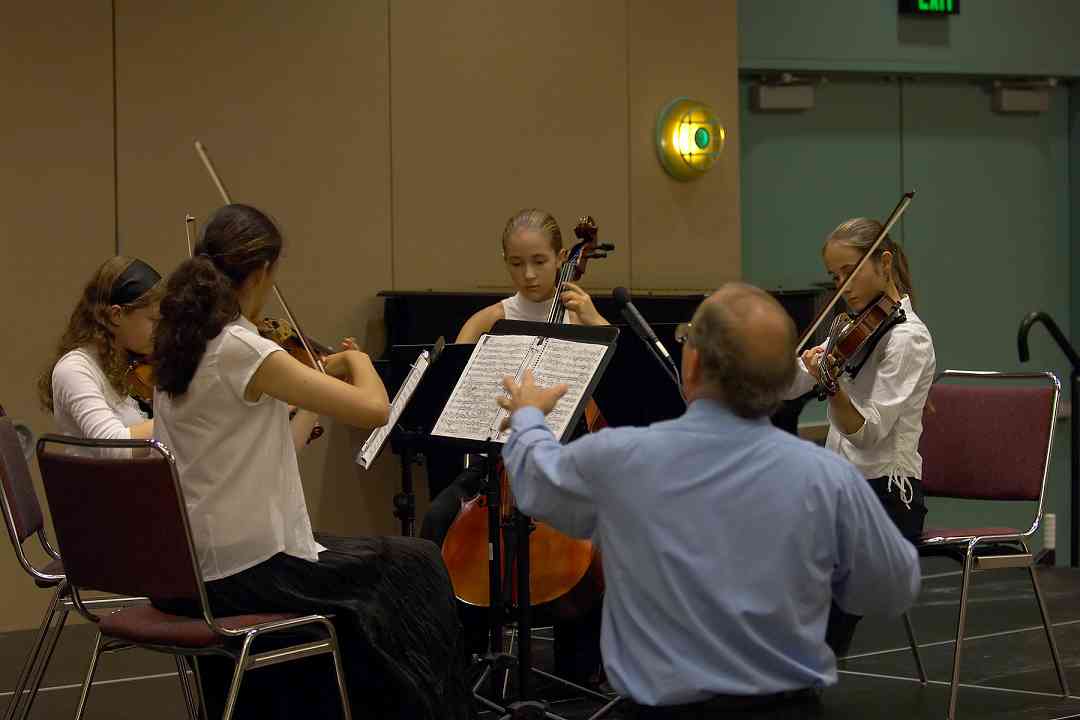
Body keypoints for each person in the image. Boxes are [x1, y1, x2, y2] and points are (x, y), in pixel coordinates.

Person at [497, 283, 921, 718]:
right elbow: (890, 588)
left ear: (693, 363)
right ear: (782, 381)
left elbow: (536, 482)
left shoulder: (621, 459)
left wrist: (529, 417)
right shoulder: (828, 478)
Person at [150, 203, 472, 720]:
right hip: (244, 568)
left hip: (190, 567)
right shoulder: (241, 347)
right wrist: (358, 362)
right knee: (419, 564)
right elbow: (375, 408)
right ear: (259, 274)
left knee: (384, 576)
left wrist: (311, 396)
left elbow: (276, 443)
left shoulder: (181, 343)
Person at [420, 208, 608, 687]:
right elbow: (454, 394)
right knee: (439, 518)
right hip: (495, 467)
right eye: (516, 263)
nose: (528, 275)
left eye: (541, 262)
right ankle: (460, 661)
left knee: (598, 529)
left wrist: (593, 323)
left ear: (563, 258)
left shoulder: (582, 312)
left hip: (565, 463)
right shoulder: (488, 321)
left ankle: (579, 669)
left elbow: (620, 397)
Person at [787, 217, 935, 657]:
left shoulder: (909, 339)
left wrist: (832, 387)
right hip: (845, 493)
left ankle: (799, 673)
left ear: (884, 263)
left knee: (820, 570)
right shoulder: (850, 330)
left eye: (848, 272)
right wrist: (791, 367)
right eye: (834, 277)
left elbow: (868, 435)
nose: (841, 286)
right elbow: (788, 385)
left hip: (888, 499)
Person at [39, 256, 163, 439]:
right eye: (153, 320)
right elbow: (115, 446)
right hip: (103, 469)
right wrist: (176, 419)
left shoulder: (130, 363)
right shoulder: (74, 369)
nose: (161, 330)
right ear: (116, 315)